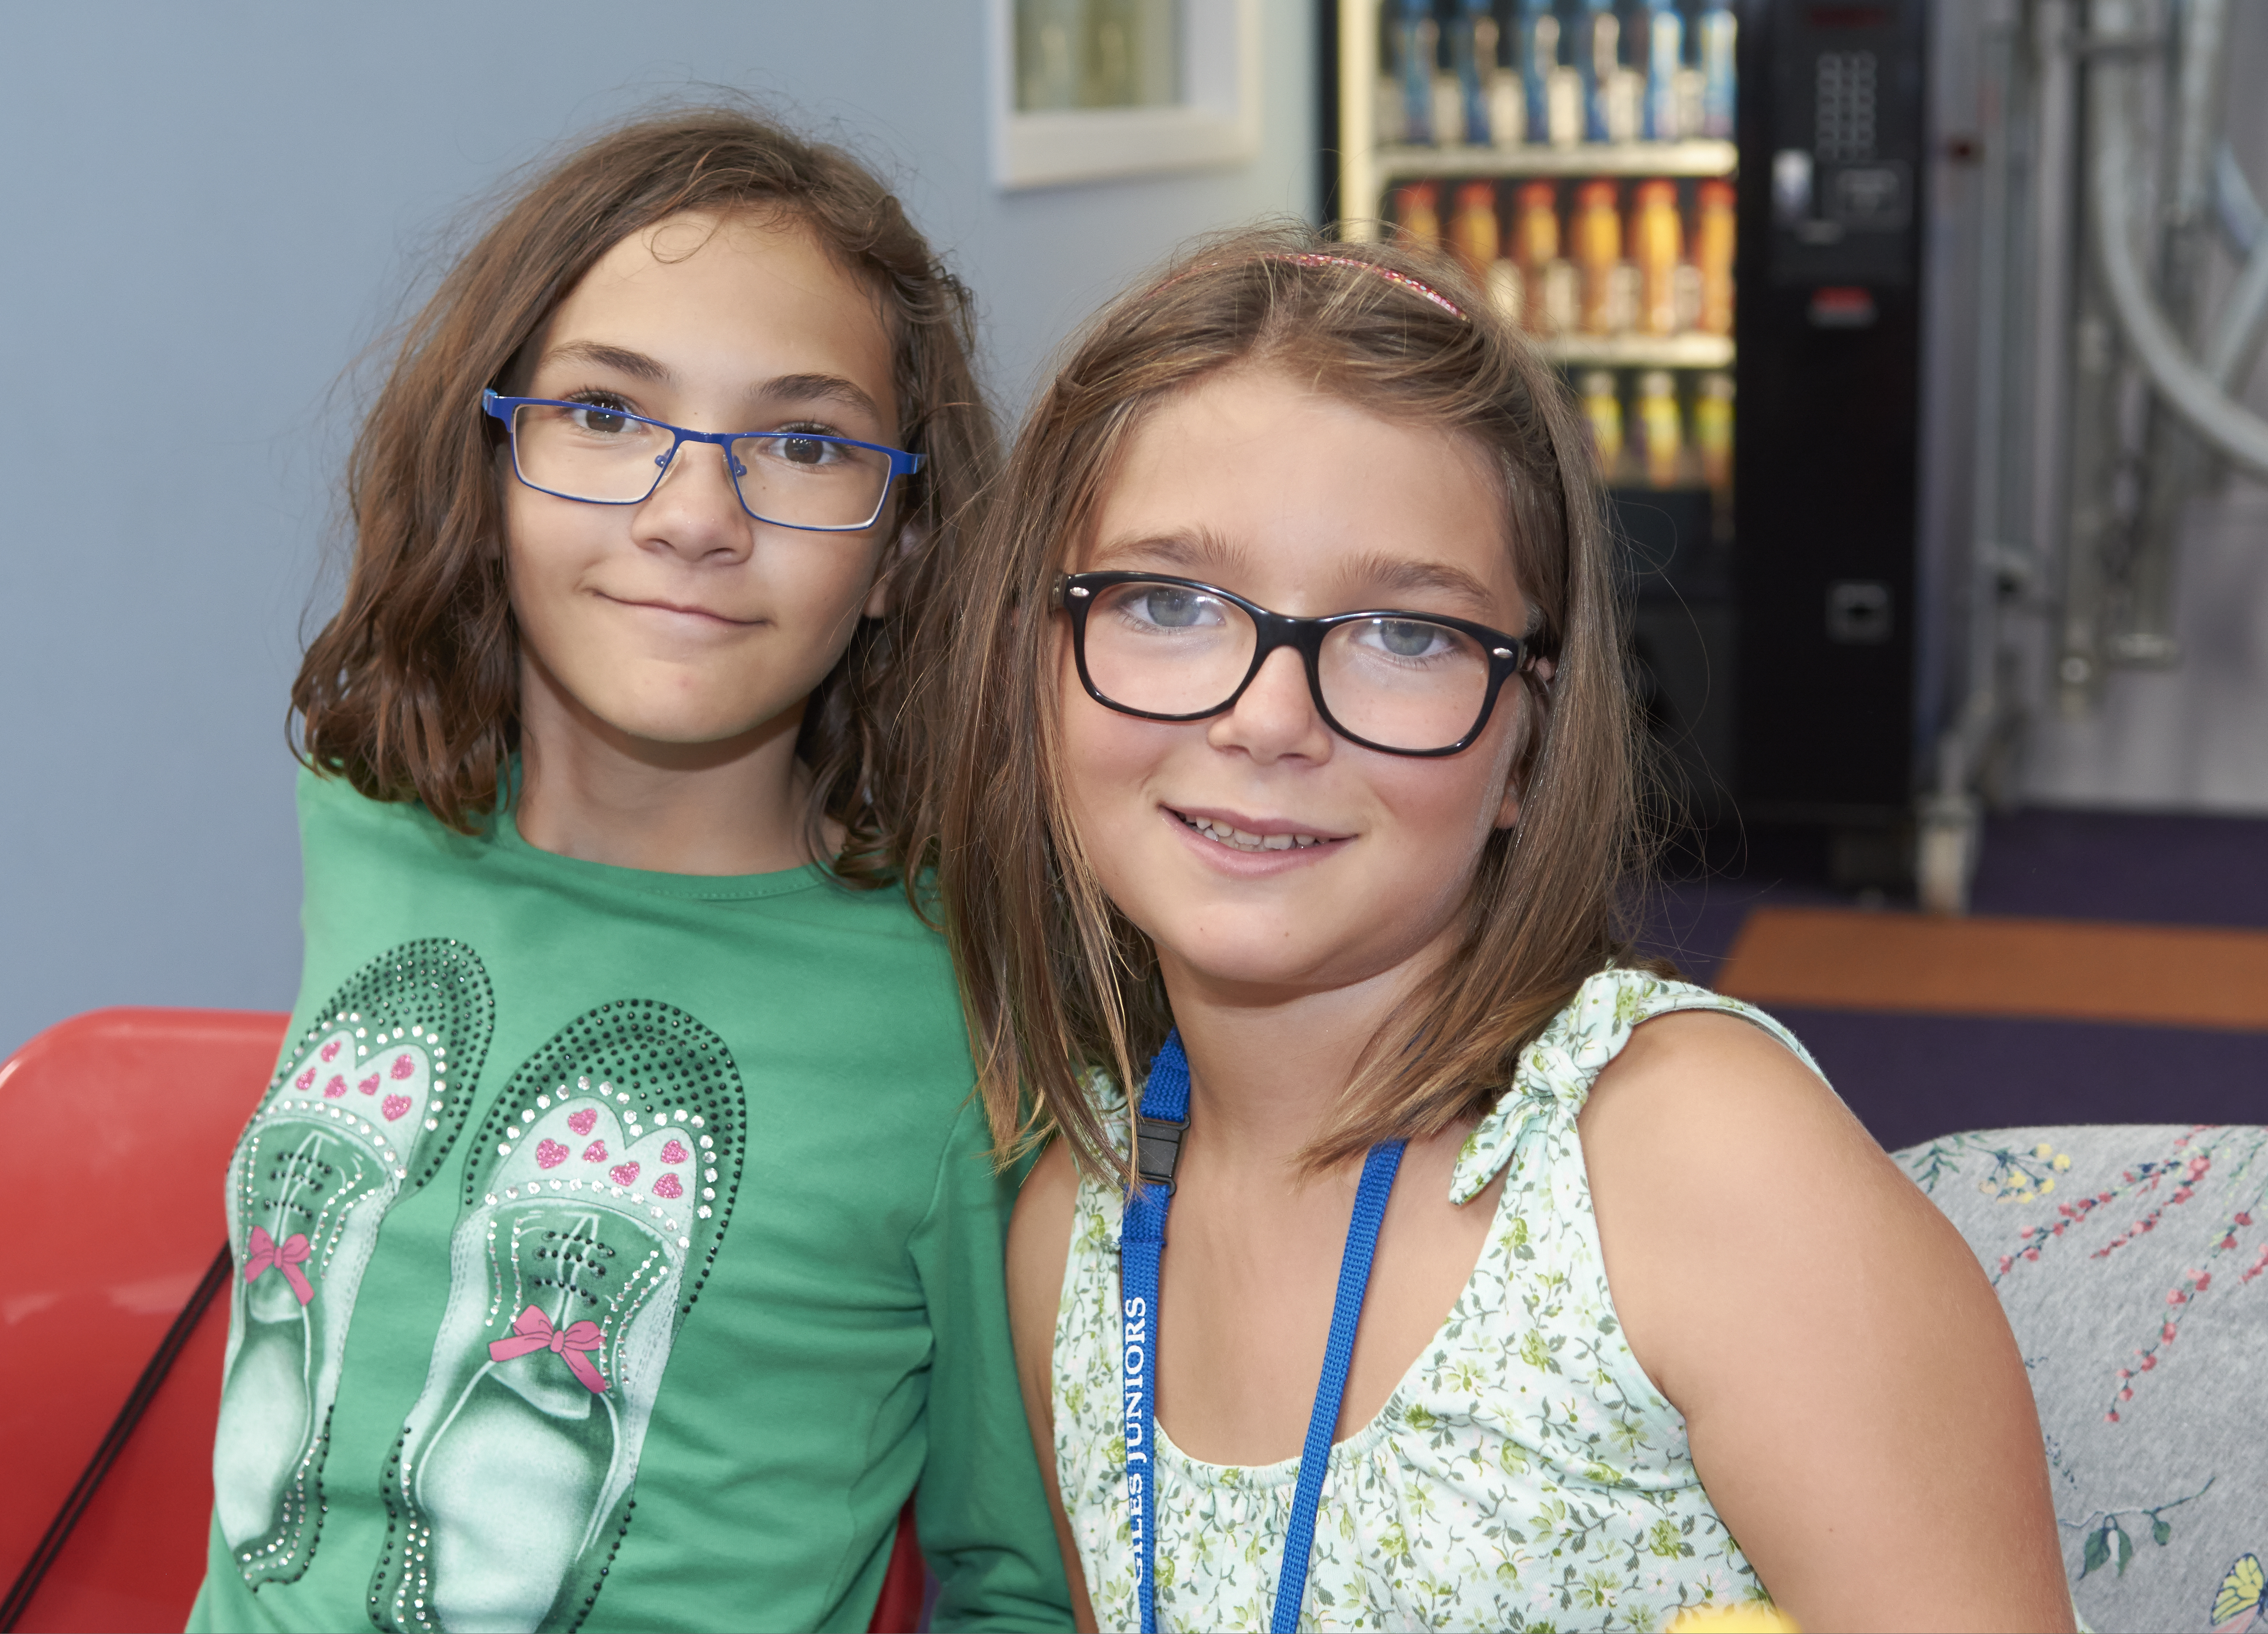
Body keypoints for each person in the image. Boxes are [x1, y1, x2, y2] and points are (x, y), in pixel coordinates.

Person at [937, 226, 2074, 1633]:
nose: (1268, 718)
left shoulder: (1683, 1164)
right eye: (1167, 602)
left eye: (1407, 634)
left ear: (1527, 747)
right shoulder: (1078, 1234)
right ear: (1033, 665)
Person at [192, 107, 1068, 1634]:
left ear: (900, 556)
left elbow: (1020, 1582)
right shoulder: (364, 820)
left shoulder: (964, 1010)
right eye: (606, 414)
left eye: (804, 443)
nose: (691, 517)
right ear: (494, 464)